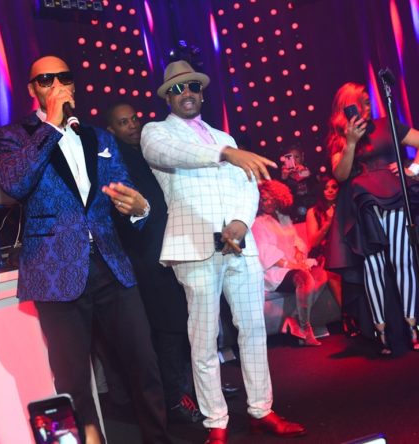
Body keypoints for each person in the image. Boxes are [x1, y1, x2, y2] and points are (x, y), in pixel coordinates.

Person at [0, 55, 172, 444]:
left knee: (144, 363)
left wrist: (139, 208)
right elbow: (15, 184)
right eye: (45, 80)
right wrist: (50, 127)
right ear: (33, 90)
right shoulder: (15, 137)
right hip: (55, 273)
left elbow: (123, 189)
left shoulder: (99, 138)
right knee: (73, 380)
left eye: (64, 77)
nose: (56, 85)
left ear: (73, 85)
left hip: (111, 265)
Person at [141, 60, 305, 443]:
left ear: (201, 92)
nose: (186, 93)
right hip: (194, 246)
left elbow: (246, 185)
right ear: (167, 97)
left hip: (238, 247)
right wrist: (226, 153)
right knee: (204, 337)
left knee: (253, 329)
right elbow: (172, 155)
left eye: (192, 86)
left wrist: (241, 223)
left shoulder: (222, 135)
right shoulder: (156, 133)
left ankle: (261, 410)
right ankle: (216, 421)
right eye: (177, 89)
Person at [105, 102, 202, 424]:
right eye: (123, 122)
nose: (133, 125)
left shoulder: (149, 151)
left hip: (174, 247)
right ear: (111, 131)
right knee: (168, 329)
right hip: (148, 256)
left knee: (186, 323)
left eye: (134, 119)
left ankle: (198, 391)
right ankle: (175, 400)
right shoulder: (116, 162)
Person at [326, 81, 419, 355]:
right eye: (362, 102)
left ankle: (413, 325)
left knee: (402, 260)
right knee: (374, 267)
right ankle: (382, 332)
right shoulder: (341, 138)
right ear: (348, 107)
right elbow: (340, 174)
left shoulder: (386, 125)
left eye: (368, 102)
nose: (367, 107)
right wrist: (351, 142)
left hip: (394, 195)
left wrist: (413, 169)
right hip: (363, 205)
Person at [252, 180, 327, 346]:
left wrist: (299, 251)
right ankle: (306, 329)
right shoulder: (258, 223)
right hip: (274, 271)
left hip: (292, 265)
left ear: (278, 197)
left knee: (321, 274)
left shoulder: (284, 218)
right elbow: (264, 252)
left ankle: (293, 319)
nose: (265, 202)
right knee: (304, 278)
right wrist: (291, 265)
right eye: (262, 199)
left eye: (268, 198)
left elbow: (295, 240)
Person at [305, 176, 343, 309]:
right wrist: (328, 222)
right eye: (326, 188)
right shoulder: (313, 212)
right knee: (333, 272)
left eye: (334, 187)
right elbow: (313, 242)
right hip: (323, 254)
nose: (330, 191)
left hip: (344, 251)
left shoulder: (345, 207)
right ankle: (347, 314)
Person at [280, 145, 317, 223]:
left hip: (311, 213)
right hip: (293, 217)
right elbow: (282, 199)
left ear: (302, 157)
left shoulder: (309, 171)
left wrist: (306, 174)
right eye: (291, 158)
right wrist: (284, 179)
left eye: (296, 157)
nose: (294, 161)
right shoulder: (284, 175)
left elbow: (317, 189)